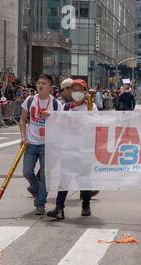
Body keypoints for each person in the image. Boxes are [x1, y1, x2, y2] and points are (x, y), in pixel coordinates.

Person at [47, 80, 98, 220]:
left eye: (79, 89)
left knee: (84, 179)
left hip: (85, 149)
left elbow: (97, 125)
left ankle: (86, 204)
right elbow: (59, 125)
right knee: (65, 178)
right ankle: (59, 208)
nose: (76, 92)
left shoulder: (91, 107)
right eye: (74, 89)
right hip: (69, 148)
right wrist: (50, 118)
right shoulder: (67, 107)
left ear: (85, 91)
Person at [19, 74, 63, 215]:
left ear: (50, 87)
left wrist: (52, 118)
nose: (40, 85)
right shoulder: (30, 99)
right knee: (27, 172)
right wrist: (23, 137)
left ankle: (40, 204)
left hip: (47, 144)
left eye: (44, 83)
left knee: (45, 175)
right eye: (38, 83)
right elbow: (22, 119)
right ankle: (39, 192)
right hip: (31, 143)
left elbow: (63, 124)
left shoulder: (56, 104)